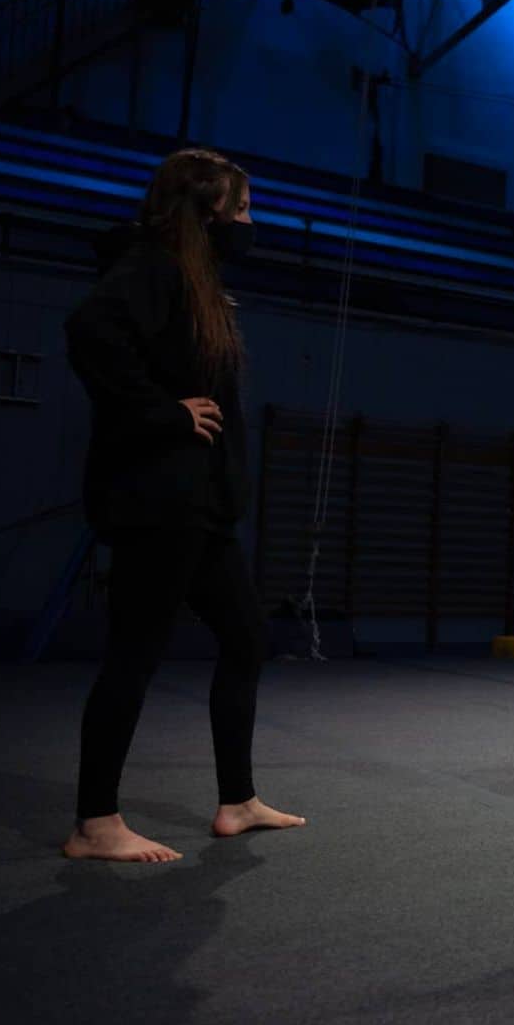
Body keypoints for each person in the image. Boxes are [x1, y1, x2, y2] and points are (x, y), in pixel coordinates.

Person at [61, 148, 304, 863]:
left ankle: (237, 800)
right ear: (205, 214)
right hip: (158, 500)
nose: (250, 222)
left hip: (199, 507)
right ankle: (94, 822)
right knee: (135, 652)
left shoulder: (195, 281)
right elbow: (89, 331)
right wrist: (162, 414)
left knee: (247, 638)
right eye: (243, 209)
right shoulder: (152, 266)